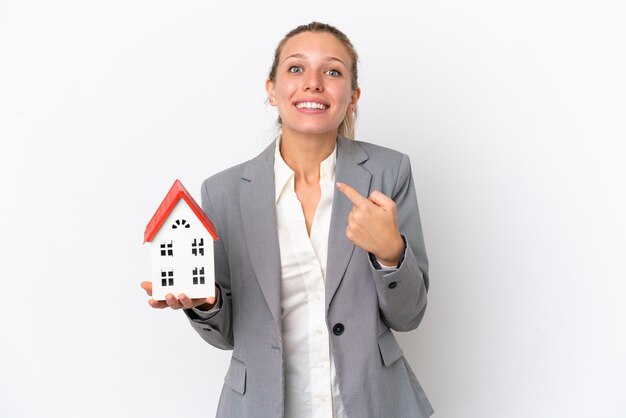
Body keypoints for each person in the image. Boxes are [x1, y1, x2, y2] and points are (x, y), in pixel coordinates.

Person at [141, 21, 433, 418]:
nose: (313, 82)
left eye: (332, 71)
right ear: (271, 91)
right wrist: (205, 304)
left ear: (352, 97)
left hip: (371, 403)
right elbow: (227, 335)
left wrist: (390, 253)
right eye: (296, 69)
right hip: (263, 404)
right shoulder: (224, 192)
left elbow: (409, 314)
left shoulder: (388, 172)